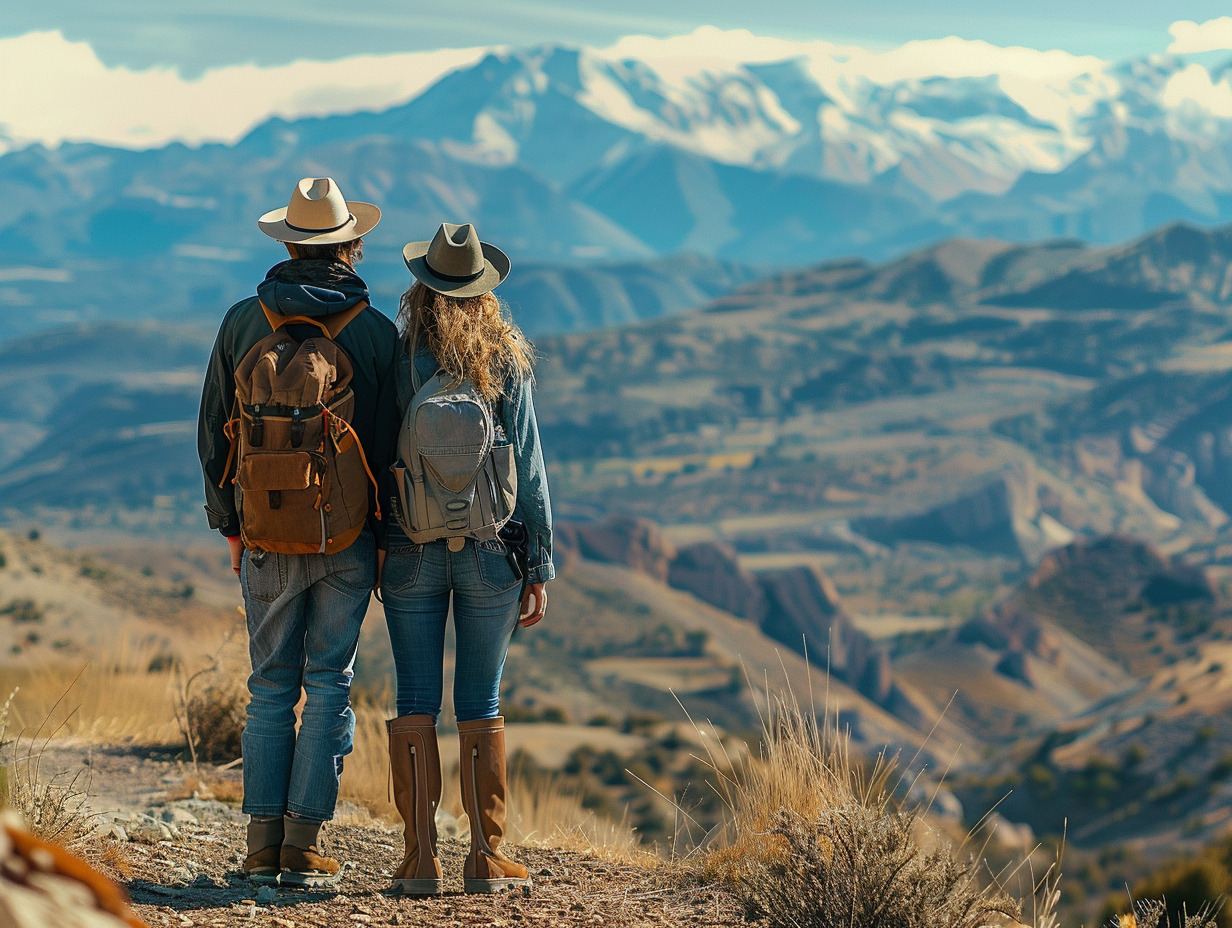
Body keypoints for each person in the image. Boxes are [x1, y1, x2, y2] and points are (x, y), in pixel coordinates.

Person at [197, 177, 399, 886]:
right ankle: (305, 846)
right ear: (354, 244)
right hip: (348, 540)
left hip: (261, 532)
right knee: (329, 684)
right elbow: (389, 444)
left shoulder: (241, 322)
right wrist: (383, 543)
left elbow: (213, 432)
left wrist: (230, 525)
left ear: (286, 241)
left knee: (269, 687)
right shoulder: (373, 331)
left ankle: (259, 845)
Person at [382, 222, 553, 896]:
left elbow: (377, 457)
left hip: (408, 550)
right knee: (480, 699)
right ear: (484, 291)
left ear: (421, 288)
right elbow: (532, 472)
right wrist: (539, 566)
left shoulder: (399, 359)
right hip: (492, 551)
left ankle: (418, 860)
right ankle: (487, 857)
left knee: (415, 696)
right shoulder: (506, 360)